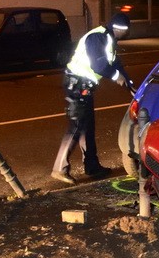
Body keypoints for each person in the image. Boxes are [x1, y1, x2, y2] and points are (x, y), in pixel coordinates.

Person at [51, 12, 135, 184]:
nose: (123, 34)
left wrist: (129, 84)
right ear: (117, 29)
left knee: (87, 126)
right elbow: (99, 65)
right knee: (77, 125)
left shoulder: (110, 39)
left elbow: (116, 64)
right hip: (77, 84)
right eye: (123, 31)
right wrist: (116, 77)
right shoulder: (98, 37)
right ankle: (59, 168)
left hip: (84, 86)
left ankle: (92, 166)